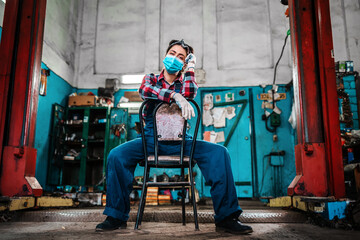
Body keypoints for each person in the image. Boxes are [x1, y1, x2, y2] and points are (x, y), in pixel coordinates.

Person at [96, 39, 253, 234]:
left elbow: (190, 92)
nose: (175, 58)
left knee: (220, 153)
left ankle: (226, 218)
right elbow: (145, 91)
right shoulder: (151, 79)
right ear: (165, 56)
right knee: (116, 155)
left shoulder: (185, 81)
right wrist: (175, 97)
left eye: (181, 57)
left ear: (185, 63)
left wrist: (191, 69)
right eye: (172, 53)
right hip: (150, 141)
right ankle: (116, 216)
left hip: (182, 142)